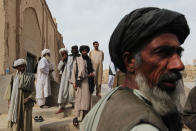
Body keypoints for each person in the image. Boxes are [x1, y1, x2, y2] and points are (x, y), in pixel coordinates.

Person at [80, 7, 190, 131]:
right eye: (163, 53)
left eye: (178, 54)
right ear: (130, 61)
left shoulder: (107, 101)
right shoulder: (144, 126)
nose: (179, 64)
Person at [3, 59, 35, 131]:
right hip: (15, 103)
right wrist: (9, 102)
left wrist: (29, 98)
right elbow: (9, 90)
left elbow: (33, 90)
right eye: (20, 67)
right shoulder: (13, 77)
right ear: (17, 67)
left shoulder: (30, 76)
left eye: (23, 66)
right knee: (15, 121)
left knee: (25, 121)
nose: (22, 68)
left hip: (25, 103)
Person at [71, 45, 94, 127]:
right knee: (78, 100)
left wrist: (91, 74)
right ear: (81, 52)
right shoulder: (77, 60)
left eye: (86, 51)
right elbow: (73, 71)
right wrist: (73, 83)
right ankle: (75, 117)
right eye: (83, 51)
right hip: (79, 83)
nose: (84, 52)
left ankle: (84, 116)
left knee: (87, 101)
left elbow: (91, 71)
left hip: (87, 82)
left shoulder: (89, 60)